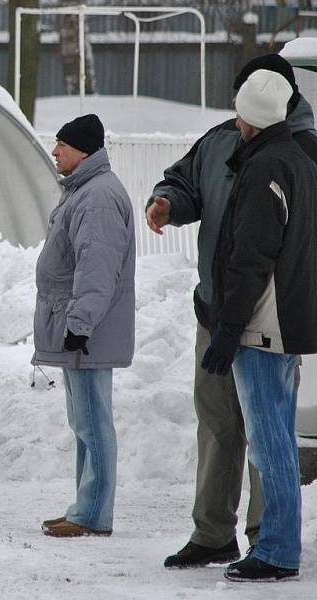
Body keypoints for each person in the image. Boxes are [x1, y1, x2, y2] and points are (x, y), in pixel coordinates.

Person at [146, 54, 317, 568]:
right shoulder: (225, 139)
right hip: (217, 311)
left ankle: (271, 538)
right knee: (220, 425)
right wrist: (168, 202)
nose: (236, 109)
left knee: (268, 432)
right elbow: (185, 180)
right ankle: (213, 532)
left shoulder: (296, 154)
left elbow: (258, 253)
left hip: (263, 318)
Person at [203, 69, 317, 581]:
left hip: (260, 325)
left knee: (269, 441)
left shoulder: (263, 168)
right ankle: (280, 543)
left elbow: (249, 259)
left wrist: (227, 332)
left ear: (246, 115)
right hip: (285, 321)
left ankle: (276, 550)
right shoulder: (299, 160)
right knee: (278, 438)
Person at [33, 114, 135, 537]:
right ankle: (85, 507)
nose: (55, 151)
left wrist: (79, 324)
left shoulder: (95, 197)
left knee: (93, 422)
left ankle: (92, 514)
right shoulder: (85, 191)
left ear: (84, 151)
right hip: (81, 328)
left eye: (62, 145)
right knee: (85, 422)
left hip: (86, 332)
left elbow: (97, 268)